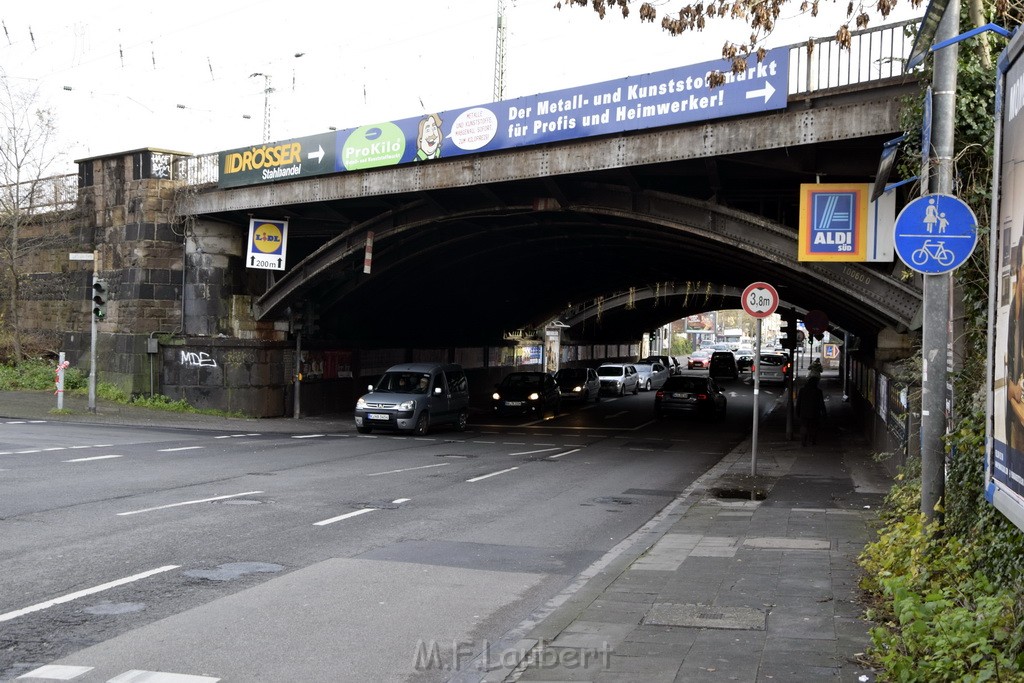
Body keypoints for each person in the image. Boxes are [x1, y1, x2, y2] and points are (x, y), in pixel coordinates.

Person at [796, 376, 827, 447]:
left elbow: (799, 402)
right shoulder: (818, 391)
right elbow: (821, 403)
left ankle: (803, 441)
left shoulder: (802, 390)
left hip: (804, 412)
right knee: (813, 427)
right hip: (815, 412)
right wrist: (824, 413)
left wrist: (797, 411)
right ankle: (812, 440)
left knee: (804, 426)